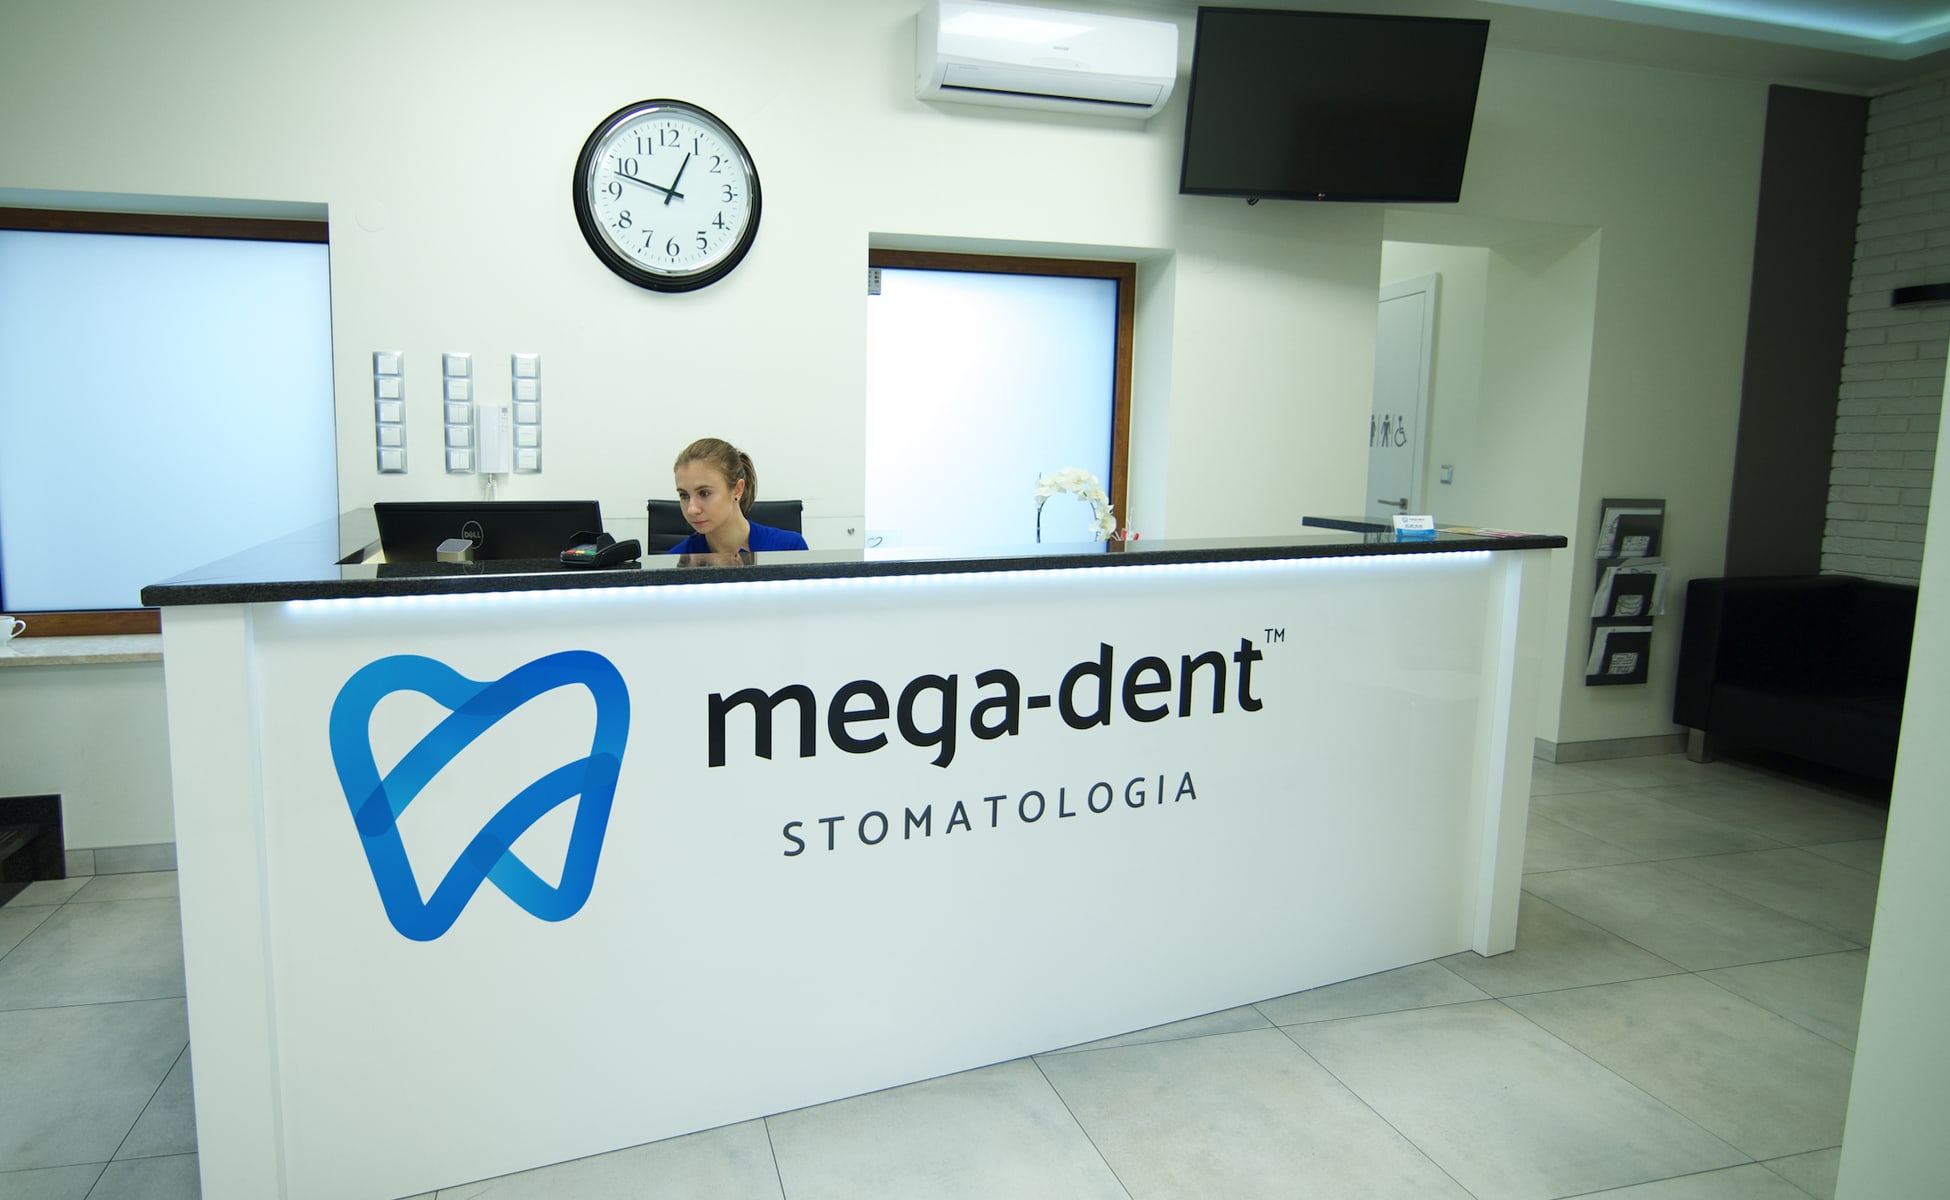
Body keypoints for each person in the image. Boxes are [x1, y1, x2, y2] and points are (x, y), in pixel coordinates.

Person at [667, 437, 809, 555]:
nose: (691, 509)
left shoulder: (789, 548)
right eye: (684, 495)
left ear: (737, 490)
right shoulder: (675, 561)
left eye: (704, 493)